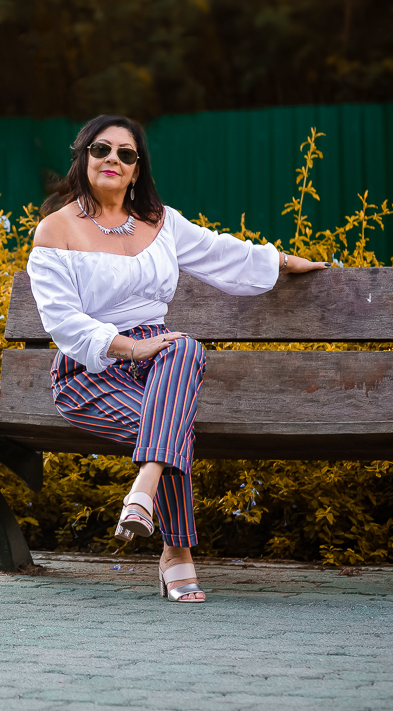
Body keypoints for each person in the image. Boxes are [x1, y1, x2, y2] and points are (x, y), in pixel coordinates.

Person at [28, 115, 327, 603]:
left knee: (182, 347)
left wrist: (284, 260)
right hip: (92, 368)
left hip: (162, 364)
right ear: (82, 156)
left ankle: (144, 489)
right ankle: (178, 553)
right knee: (173, 426)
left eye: (126, 154)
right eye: (102, 149)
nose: (113, 160)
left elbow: (222, 253)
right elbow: (61, 321)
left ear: (137, 167)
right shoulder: (55, 231)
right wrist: (128, 346)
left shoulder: (161, 221)